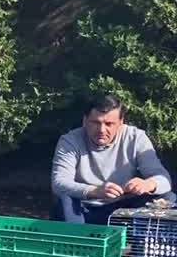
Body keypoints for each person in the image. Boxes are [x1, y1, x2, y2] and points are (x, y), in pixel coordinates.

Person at [51, 94, 174, 224]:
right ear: (85, 121)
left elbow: (164, 179)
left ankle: (142, 241)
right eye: (95, 123)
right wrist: (94, 191)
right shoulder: (70, 141)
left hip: (124, 208)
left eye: (109, 124)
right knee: (65, 200)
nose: (102, 130)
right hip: (85, 208)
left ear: (121, 123)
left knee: (167, 197)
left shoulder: (136, 137)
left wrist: (148, 184)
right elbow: (59, 183)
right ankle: (78, 240)